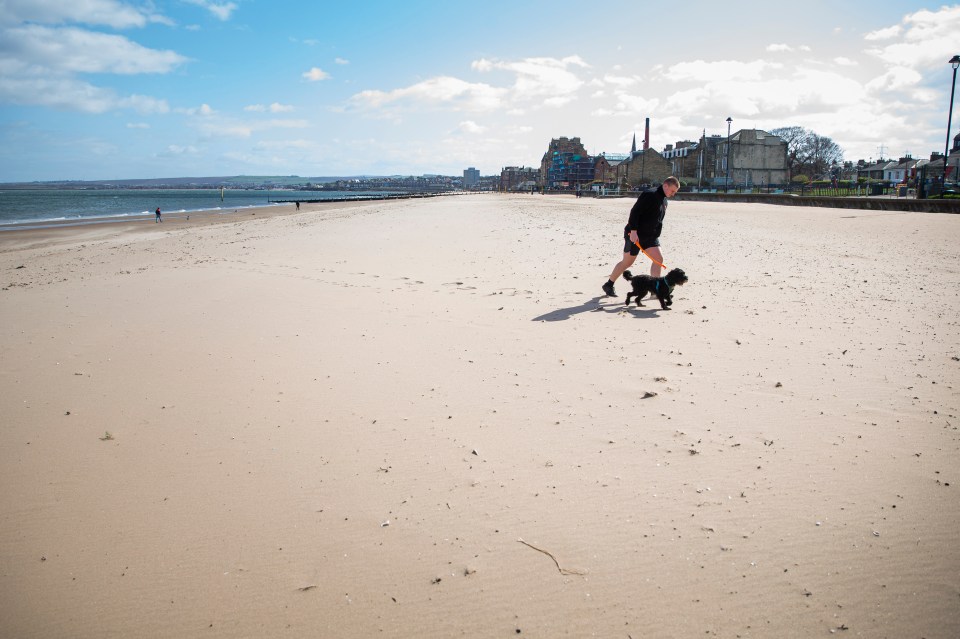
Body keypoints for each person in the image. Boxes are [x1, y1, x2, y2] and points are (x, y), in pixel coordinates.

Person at [602, 176, 680, 297]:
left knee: (658, 259)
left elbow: (657, 220)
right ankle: (609, 284)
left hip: (650, 237)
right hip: (635, 235)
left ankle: (656, 291)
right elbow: (635, 212)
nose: (673, 194)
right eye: (672, 191)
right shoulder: (650, 194)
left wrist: (655, 235)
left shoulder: (664, 200)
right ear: (665, 185)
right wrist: (633, 231)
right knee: (627, 262)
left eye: (675, 192)